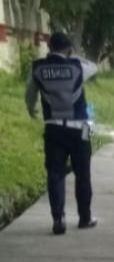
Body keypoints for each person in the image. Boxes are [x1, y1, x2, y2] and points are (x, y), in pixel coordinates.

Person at [25, 31, 99, 235]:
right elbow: (94, 66)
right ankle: (85, 218)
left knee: (55, 173)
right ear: (69, 49)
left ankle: (59, 218)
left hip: (53, 127)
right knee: (83, 174)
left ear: (49, 48)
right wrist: (73, 56)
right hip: (80, 128)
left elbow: (30, 94)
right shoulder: (77, 67)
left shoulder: (38, 68)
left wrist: (31, 110)